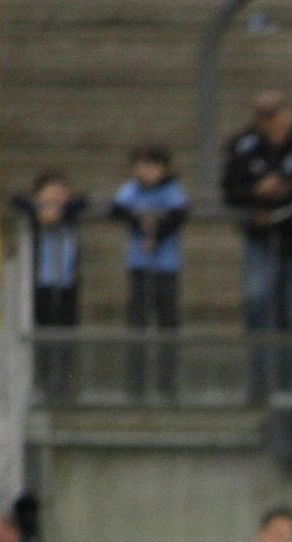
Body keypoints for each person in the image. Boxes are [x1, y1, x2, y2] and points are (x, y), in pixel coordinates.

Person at [221, 92, 292, 401]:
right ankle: (259, 382)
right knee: (257, 301)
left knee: (291, 313)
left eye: (274, 114)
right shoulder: (243, 145)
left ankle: (288, 384)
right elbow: (229, 190)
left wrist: (278, 211)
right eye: (262, 115)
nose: (268, 122)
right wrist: (257, 193)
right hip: (260, 242)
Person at [109, 146, 190, 401]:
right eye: (141, 166)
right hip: (140, 267)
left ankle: (167, 383)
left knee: (167, 325)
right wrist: (140, 225)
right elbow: (117, 210)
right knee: (137, 325)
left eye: (151, 166)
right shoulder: (131, 190)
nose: (145, 172)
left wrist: (157, 234)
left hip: (166, 267)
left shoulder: (172, 190)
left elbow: (180, 214)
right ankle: (136, 384)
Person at [10, 170, 87, 400]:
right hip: (41, 284)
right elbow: (17, 201)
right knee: (41, 335)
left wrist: (60, 211)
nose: (55, 198)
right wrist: (40, 211)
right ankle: (42, 385)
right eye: (49, 193)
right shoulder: (34, 215)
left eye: (60, 193)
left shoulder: (71, 213)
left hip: (66, 285)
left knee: (66, 336)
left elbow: (83, 202)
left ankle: (66, 386)